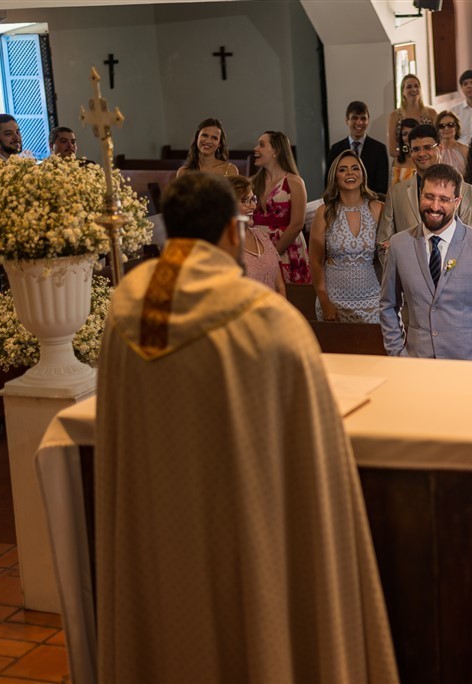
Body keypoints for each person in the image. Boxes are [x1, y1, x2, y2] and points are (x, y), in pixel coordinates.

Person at [95, 172, 398, 683]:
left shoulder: (129, 306)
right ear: (231, 232)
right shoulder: (265, 321)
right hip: (242, 531)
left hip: (160, 527)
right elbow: (314, 455)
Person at [379, 163, 472, 360]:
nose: (434, 206)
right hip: (417, 364)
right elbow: (388, 305)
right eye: (429, 196)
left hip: (469, 365)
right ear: (420, 195)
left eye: (444, 199)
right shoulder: (399, 245)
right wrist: (397, 352)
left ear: (457, 201)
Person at [376, 124, 472, 247]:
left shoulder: (465, 190)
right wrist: (403, 258)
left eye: (427, 147)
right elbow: (383, 242)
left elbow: (471, 241)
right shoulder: (396, 193)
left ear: (440, 148)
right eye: (416, 149)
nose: (421, 153)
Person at [309, 150, 383, 323]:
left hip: (373, 299)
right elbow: (315, 261)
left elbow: (387, 256)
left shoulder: (379, 209)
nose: (350, 173)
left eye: (355, 168)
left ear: (362, 175)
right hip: (334, 300)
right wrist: (324, 300)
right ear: (335, 178)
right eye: (342, 170)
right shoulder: (324, 212)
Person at [251, 130, 310, 283]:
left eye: (261, 145)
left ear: (276, 151)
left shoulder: (294, 182)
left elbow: (297, 224)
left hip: (287, 250)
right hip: (257, 250)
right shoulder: (252, 183)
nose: (255, 149)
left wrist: (272, 256)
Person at [227, 175, 286, 296]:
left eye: (253, 199)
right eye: (245, 200)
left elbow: (279, 286)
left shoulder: (261, 236)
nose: (253, 206)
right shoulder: (223, 246)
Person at [325, 101, 389, 197]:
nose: (359, 122)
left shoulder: (379, 149)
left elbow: (382, 187)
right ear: (347, 120)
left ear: (368, 120)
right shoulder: (335, 149)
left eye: (363, 118)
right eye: (354, 118)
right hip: (342, 202)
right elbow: (330, 183)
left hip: (371, 202)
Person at [387, 74, 438, 161]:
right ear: (403, 92)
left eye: (416, 86)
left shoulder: (431, 113)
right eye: (409, 87)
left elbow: (439, 141)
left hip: (428, 161)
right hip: (404, 164)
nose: (414, 89)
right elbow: (392, 150)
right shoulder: (394, 116)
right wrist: (410, 157)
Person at [434, 110, 470, 175]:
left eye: (450, 125)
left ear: (456, 127)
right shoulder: (434, 150)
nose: (446, 128)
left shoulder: (465, 150)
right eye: (442, 126)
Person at [390, 117, 418, 188]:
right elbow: (392, 189)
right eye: (405, 134)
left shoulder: (424, 159)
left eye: (412, 133)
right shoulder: (397, 161)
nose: (408, 137)